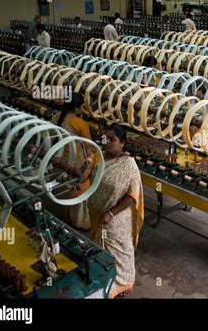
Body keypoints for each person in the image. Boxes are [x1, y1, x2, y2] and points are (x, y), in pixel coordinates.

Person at [88, 124, 144, 299]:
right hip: (97, 214)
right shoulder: (100, 159)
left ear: (123, 143)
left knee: (119, 251)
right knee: (99, 249)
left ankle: (124, 282)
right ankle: (104, 279)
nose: (107, 143)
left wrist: (111, 213)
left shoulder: (129, 165)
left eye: (113, 139)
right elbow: (87, 178)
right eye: (106, 139)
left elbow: (132, 195)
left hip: (116, 218)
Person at [52, 92, 93, 230]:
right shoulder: (80, 124)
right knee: (81, 189)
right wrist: (90, 160)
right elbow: (89, 148)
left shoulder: (57, 117)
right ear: (76, 108)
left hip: (60, 159)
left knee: (67, 187)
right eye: (81, 107)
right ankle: (81, 223)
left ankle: (68, 217)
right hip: (76, 163)